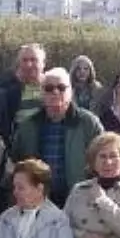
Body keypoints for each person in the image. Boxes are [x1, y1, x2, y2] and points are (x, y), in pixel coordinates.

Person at [8, 67, 103, 205]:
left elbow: (103, 159)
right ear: (41, 93)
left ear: (70, 92)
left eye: (61, 87)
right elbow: (15, 162)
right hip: (38, 200)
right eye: (49, 88)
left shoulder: (89, 123)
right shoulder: (28, 126)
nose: (55, 92)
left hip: (79, 200)